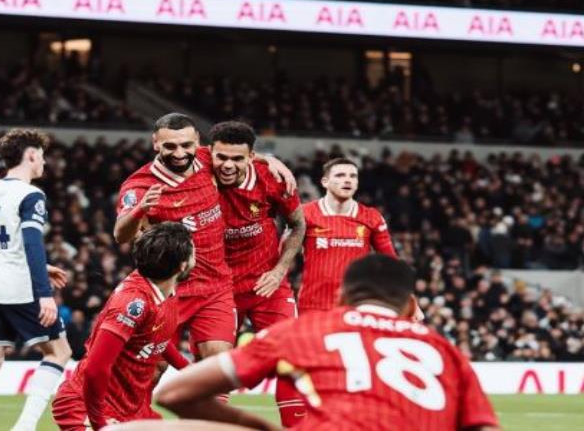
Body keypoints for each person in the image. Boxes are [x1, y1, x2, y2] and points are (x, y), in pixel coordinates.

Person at [156, 254, 500, 431]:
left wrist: (261, 427)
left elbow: (172, 394)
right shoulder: (445, 351)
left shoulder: (307, 331)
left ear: (341, 296)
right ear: (410, 306)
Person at [114, 113, 295, 366]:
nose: (179, 153)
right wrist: (139, 210)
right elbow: (120, 235)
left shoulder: (205, 159)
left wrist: (271, 160)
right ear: (155, 143)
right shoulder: (140, 185)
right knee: (153, 369)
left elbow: (236, 153)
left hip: (215, 289)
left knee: (218, 367)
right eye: (170, 146)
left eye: (186, 145)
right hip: (170, 289)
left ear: (198, 142)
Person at [0, 128, 71, 431]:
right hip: (17, 288)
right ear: (31, 154)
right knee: (60, 351)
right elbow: (30, 242)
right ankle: (24, 427)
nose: (44, 162)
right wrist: (44, 292)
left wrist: (43, 266)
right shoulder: (31, 194)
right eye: (42, 156)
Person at [209, 121, 307, 426]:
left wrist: (280, 270)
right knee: (217, 366)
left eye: (237, 158)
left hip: (268, 285)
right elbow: (174, 151)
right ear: (209, 153)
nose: (227, 165)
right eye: (221, 157)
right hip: (220, 289)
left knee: (292, 358)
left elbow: (298, 224)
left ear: (251, 156)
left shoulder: (271, 179)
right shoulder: (197, 170)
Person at [52, 222, 194, 430]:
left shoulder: (165, 290)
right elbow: (95, 369)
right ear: (182, 265)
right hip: (87, 408)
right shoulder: (132, 304)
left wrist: (191, 370)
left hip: (132, 409)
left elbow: (156, 339)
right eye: (193, 250)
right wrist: (99, 423)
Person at [299, 158, 397, 313]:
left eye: (353, 176)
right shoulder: (304, 214)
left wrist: (408, 298)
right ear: (325, 182)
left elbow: (390, 263)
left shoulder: (371, 217)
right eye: (340, 175)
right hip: (312, 306)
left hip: (355, 307)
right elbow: (283, 254)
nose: (348, 180)